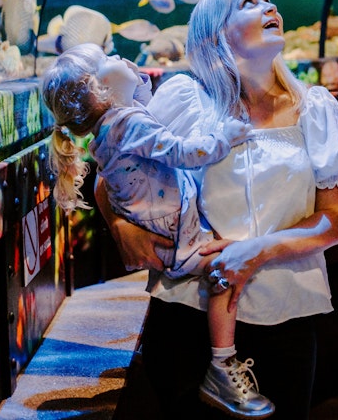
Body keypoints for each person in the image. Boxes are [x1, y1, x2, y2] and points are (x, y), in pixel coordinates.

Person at [96, 0, 338, 420]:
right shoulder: (184, 99)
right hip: (187, 313)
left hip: (284, 313)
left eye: (268, 0)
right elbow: (113, 175)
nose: (270, 7)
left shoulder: (315, 107)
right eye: (248, 4)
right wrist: (120, 227)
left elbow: (335, 218)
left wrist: (254, 251)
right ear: (215, 34)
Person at [40, 42, 275, 418]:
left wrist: (132, 85)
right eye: (108, 61)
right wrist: (226, 137)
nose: (120, 59)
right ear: (96, 87)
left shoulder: (111, 128)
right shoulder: (126, 124)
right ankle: (222, 364)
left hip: (169, 237)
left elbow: (143, 114)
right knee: (227, 270)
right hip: (179, 243)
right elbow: (181, 151)